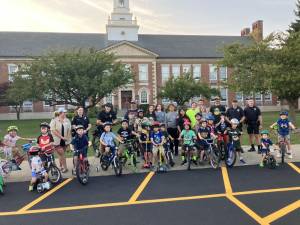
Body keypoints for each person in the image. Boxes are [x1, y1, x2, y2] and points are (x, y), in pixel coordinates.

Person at [50, 107, 72, 173]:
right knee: (62, 154)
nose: (65, 113)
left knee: (61, 154)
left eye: (65, 112)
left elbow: (69, 129)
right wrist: (62, 137)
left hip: (65, 141)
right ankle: (65, 168)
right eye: (64, 112)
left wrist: (67, 137)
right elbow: (53, 130)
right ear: (60, 113)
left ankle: (61, 166)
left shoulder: (67, 120)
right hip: (57, 141)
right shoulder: (54, 120)